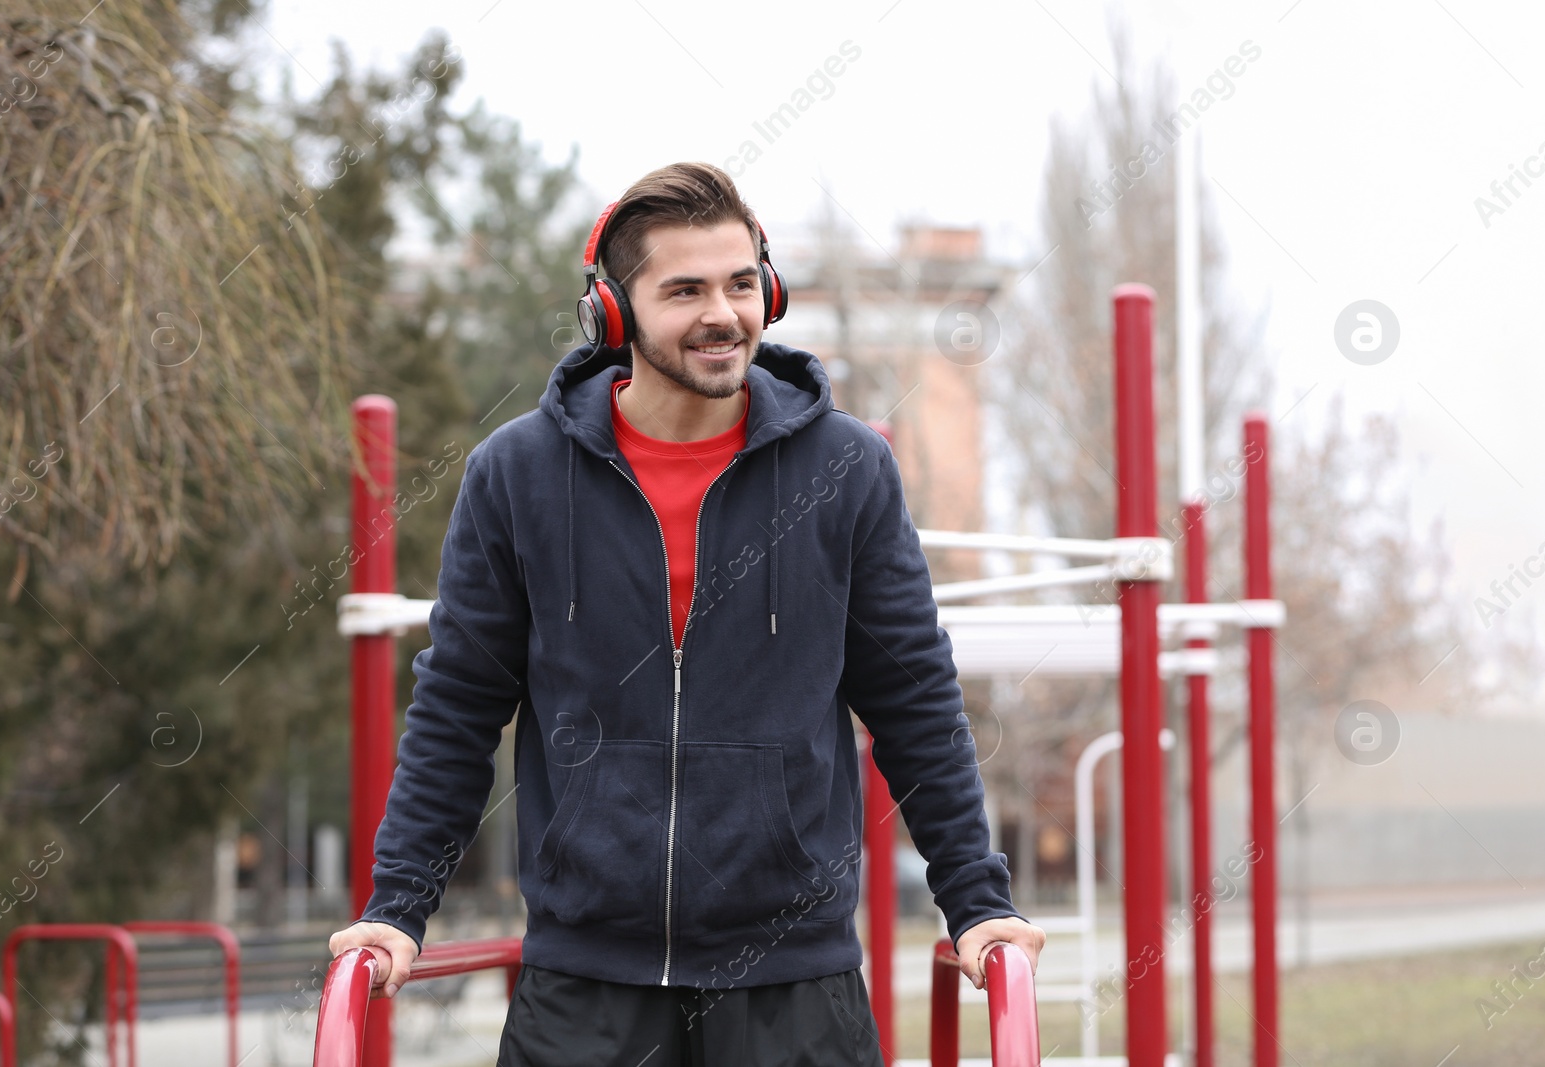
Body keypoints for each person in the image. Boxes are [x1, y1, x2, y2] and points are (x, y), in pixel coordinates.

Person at [327, 161, 1044, 1066]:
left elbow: (916, 704)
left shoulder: (846, 470)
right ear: (612, 313)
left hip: (797, 986)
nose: (725, 313)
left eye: (743, 283)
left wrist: (978, 902)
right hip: (584, 988)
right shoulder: (518, 475)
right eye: (686, 289)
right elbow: (458, 709)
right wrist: (396, 908)